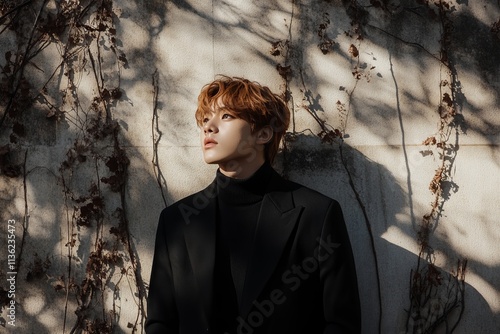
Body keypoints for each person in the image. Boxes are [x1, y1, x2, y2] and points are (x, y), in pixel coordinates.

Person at [146, 76, 361, 334]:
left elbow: (341, 323)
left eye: (225, 116)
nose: (208, 127)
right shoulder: (177, 221)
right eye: (205, 119)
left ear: (263, 133)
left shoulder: (316, 214)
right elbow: (161, 323)